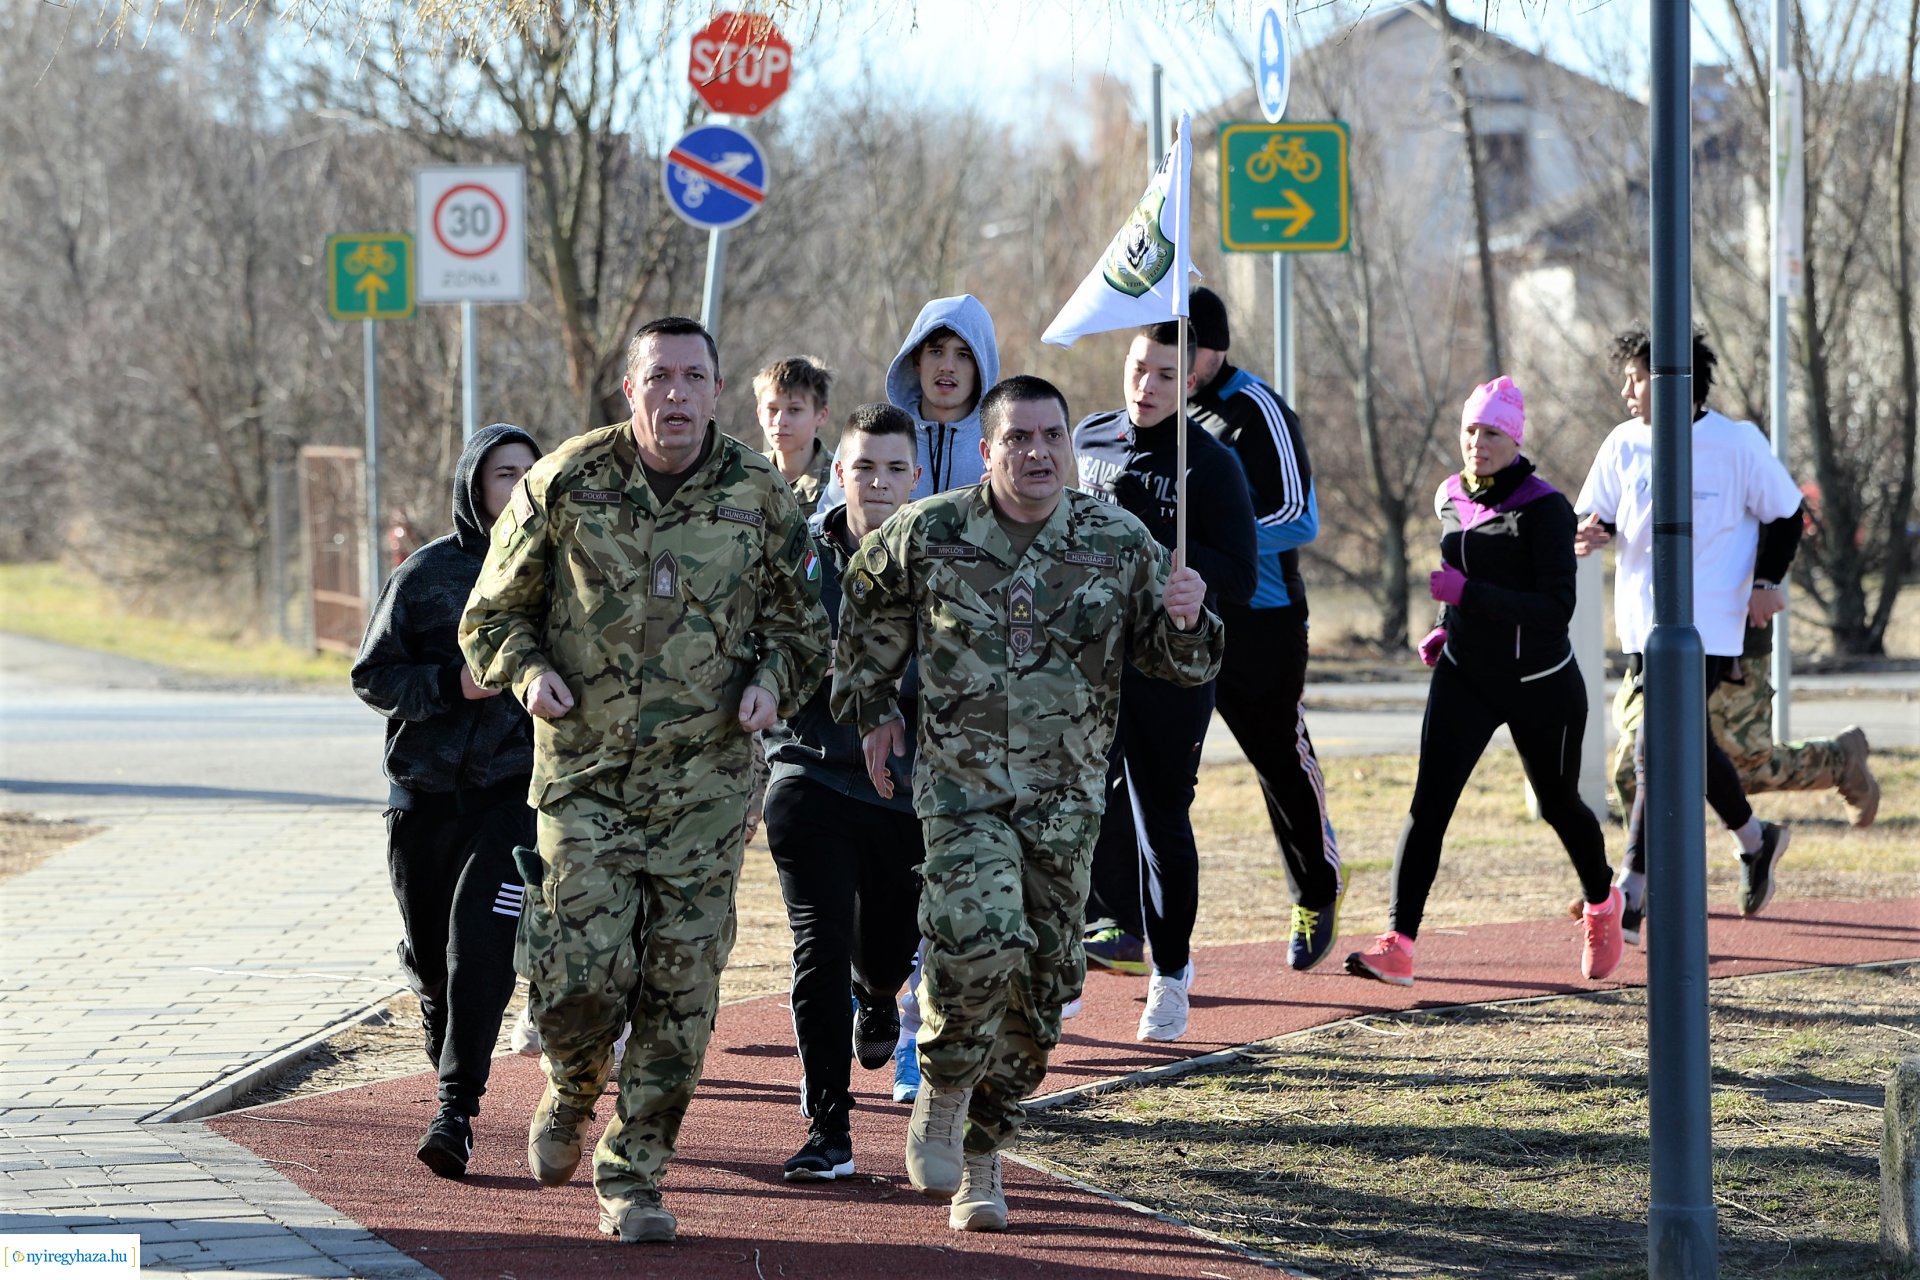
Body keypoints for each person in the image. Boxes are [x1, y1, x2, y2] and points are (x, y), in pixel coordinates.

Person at [459, 316, 830, 1245]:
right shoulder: (566, 481)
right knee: (578, 979)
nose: (675, 394)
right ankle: (574, 1083)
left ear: (716, 391)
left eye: (693, 377)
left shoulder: (758, 494)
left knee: (681, 987)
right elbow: (489, 615)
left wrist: (769, 683)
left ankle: (635, 1176)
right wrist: (527, 668)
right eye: (658, 377)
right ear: (630, 390)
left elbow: (802, 634)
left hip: (705, 789)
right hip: (582, 778)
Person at [832, 375, 1224, 1233]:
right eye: (1019, 438)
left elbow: (1178, 663)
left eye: (1051, 436)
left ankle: (983, 1152)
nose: (1039, 452)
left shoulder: (1117, 539)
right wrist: (872, 708)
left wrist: (1191, 621)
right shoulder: (931, 531)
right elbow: (864, 606)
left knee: (1045, 991)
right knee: (977, 935)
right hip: (963, 793)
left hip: (1068, 802)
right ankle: (940, 1084)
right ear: (988, 449)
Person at [1344, 378, 1622, 987]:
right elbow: (1458, 570)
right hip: (1465, 676)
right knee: (1428, 808)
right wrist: (1447, 624)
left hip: (1540, 682)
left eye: (1492, 432)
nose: (1478, 442)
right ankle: (1400, 943)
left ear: (1514, 438)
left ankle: (1603, 902)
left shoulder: (1547, 508)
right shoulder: (1449, 495)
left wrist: (1467, 595)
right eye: (1471, 430)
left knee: (1558, 803)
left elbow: (1554, 608)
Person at [351, 423, 542, 1179]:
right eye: (504, 475)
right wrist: (447, 687)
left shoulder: (560, 572)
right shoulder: (427, 574)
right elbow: (373, 676)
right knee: (436, 959)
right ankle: (432, 998)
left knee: (481, 949)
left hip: (511, 797)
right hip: (423, 797)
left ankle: (455, 1111)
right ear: (475, 487)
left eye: (532, 474)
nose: (520, 487)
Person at [1573, 324, 1804, 943]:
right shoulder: (1623, 443)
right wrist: (1594, 531)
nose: (1626, 390)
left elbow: (1787, 515)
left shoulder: (1736, 444)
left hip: (1709, 627)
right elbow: (1595, 514)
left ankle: (1630, 891)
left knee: (1655, 744)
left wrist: (1765, 582)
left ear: (1675, 381)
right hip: (1643, 625)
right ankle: (1757, 840)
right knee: (1688, 745)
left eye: (1637, 378)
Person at [1072, 322, 1257, 1039]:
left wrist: (1187, 571)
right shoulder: (1087, 438)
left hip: (1171, 670)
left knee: (1161, 823)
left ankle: (1171, 977)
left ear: (1189, 384)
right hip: (1088, 663)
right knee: (1072, 811)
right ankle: (1069, 964)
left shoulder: (1209, 462)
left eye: (1166, 376)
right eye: (1139, 369)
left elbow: (1241, 575)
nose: (1146, 387)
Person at [762, 404, 928, 1181]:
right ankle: (829, 1129)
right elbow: (770, 640)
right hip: (810, 773)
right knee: (817, 946)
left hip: (904, 791)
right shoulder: (804, 555)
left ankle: (880, 995)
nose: (879, 482)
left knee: (887, 951)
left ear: (917, 476)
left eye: (895, 467)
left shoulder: (946, 560)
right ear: (839, 474)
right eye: (865, 467)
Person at [1184, 287, 1344, 972]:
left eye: (1187, 345)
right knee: (1148, 767)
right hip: (1189, 615)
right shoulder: (1170, 410)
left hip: (1265, 619)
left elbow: (1301, 517)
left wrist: (1221, 544)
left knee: (1279, 763)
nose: (1175, 359)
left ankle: (1316, 890)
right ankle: (1125, 923)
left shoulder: (1257, 410)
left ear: (1216, 345)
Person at [1607, 617, 1879, 827]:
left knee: (1726, 769)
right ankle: (1642, 887)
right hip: (1651, 639)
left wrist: (1766, 580)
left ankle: (1839, 761)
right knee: (1646, 763)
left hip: (1730, 635)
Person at [819, 294, 1001, 506]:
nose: (947, 366)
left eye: (963, 355)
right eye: (936, 351)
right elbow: (825, 523)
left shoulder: (1004, 443)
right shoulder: (872, 434)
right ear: (917, 359)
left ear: (981, 366)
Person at [756, 355, 836, 509]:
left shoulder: (840, 483)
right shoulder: (745, 475)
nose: (780, 421)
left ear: (821, 415)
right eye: (772, 409)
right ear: (759, 413)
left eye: (794, 410)